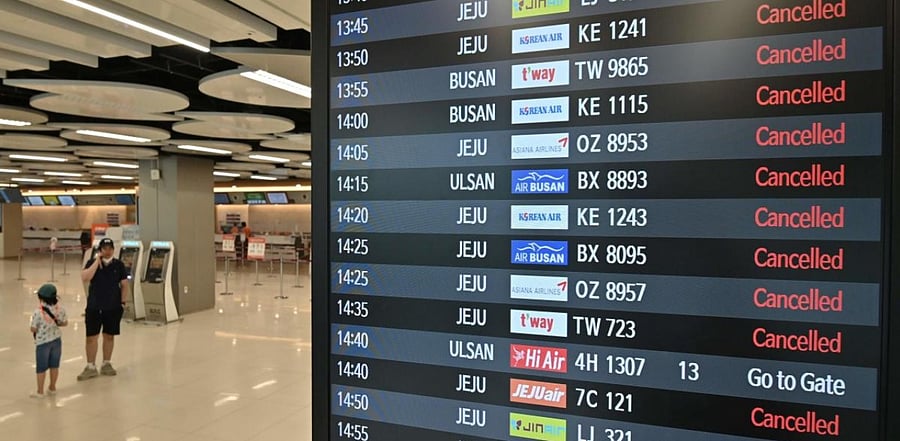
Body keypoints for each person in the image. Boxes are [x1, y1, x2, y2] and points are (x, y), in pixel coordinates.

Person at [78, 238, 128, 381]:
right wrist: (96, 262)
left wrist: (123, 303)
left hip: (112, 307)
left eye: (110, 248)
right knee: (91, 337)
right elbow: (85, 277)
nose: (107, 251)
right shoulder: (91, 263)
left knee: (109, 335)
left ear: (113, 249)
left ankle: (106, 363)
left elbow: (124, 284)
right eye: (104, 248)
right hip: (94, 307)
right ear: (100, 250)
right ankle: (90, 366)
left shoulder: (119, 265)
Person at [30, 284, 68, 398]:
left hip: (43, 343)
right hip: (56, 341)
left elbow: (33, 328)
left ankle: (40, 391)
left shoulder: (38, 312)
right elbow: (65, 323)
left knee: (41, 367)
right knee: (54, 366)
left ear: (41, 298)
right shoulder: (60, 309)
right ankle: (52, 387)